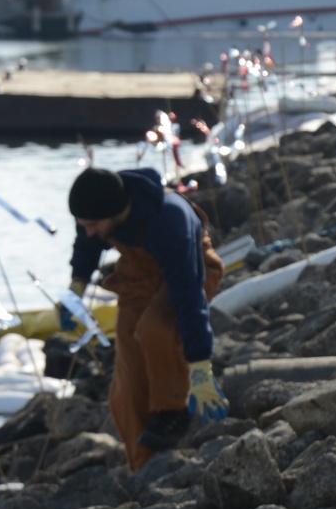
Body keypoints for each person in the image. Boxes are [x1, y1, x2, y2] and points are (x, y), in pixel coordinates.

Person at [61, 166, 227, 471]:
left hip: (191, 268)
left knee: (157, 328)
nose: (87, 231)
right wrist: (77, 286)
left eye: (92, 224)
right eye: (81, 224)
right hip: (138, 276)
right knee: (127, 385)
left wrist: (201, 365)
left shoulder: (169, 221)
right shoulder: (97, 209)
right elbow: (87, 244)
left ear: (115, 212)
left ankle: (174, 411)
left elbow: (189, 297)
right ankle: (144, 466)